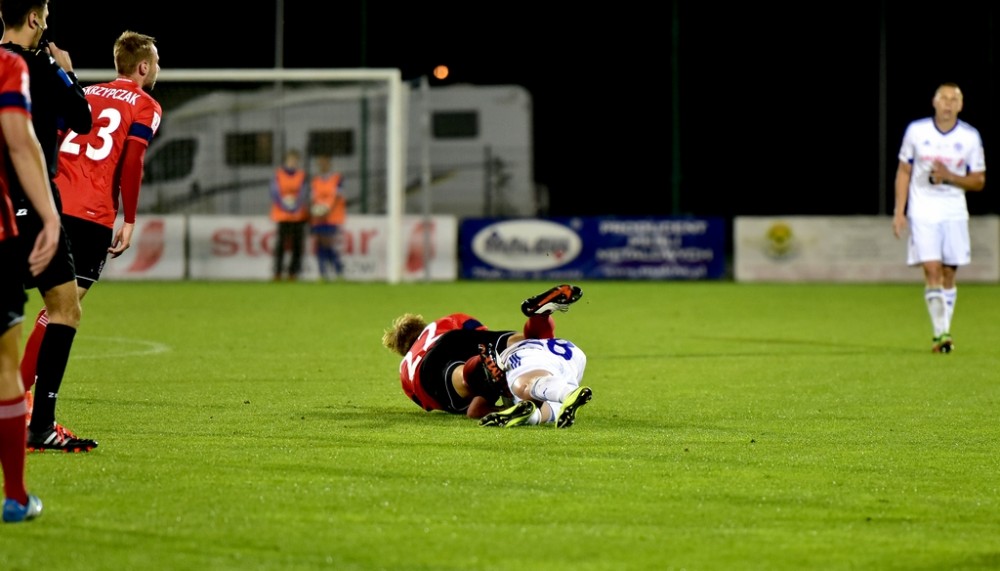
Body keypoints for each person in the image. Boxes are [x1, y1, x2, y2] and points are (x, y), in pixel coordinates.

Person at [21, 30, 161, 451]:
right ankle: (23, 407)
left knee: (52, 307)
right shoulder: (145, 104)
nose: (157, 68)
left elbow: (55, 134)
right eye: (156, 61)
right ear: (143, 67)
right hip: (90, 215)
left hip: (50, 201)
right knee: (64, 310)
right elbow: (133, 160)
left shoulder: (85, 91)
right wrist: (130, 219)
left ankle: (21, 404)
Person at [2, 0, 96, 452]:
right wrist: (66, 71)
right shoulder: (38, 66)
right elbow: (83, 118)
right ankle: (41, 425)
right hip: (33, 204)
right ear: (35, 18)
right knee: (64, 309)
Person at [381, 284, 588, 422]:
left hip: (426, 370)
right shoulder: (442, 323)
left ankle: (482, 370)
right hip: (453, 336)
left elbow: (426, 402)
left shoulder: (406, 368)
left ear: (403, 350)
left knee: (461, 379)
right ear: (422, 326)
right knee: (522, 343)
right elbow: (480, 333)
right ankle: (539, 318)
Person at [0, 45, 59, 522]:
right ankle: (16, 497)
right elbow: (21, 143)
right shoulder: (9, 65)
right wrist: (49, 216)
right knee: (5, 365)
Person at [892, 82, 986, 354]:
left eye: (954, 99)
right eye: (943, 98)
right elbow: (904, 171)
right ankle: (941, 334)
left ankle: (943, 332)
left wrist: (950, 176)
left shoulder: (970, 137)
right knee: (932, 269)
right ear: (934, 102)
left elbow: (978, 181)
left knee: (948, 272)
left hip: (954, 211)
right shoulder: (916, 131)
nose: (948, 103)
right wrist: (899, 211)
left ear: (961, 105)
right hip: (923, 209)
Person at [270, 148, 309, 281]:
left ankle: (293, 273)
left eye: (295, 161)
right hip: (282, 215)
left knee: (297, 245)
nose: (293, 163)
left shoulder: (302, 175)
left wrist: (295, 206)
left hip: (298, 215)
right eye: (291, 160)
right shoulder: (278, 174)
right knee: (281, 245)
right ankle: (277, 272)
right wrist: (284, 205)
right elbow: (274, 192)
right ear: (286, 161)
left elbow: (303, 193)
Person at [309, 153, 346, 281]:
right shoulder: (315, 180)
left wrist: (326, 210)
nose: (322, 165)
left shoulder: (337, 178)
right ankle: (323, 273)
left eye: (324, 163)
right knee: (320, 244)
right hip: (318, 217)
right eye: (320, 163)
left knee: (327, 243)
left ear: (329, 164)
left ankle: (338, 269)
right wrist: (315, 211)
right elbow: (313, 198)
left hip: (332, 216)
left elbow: (337, 196)